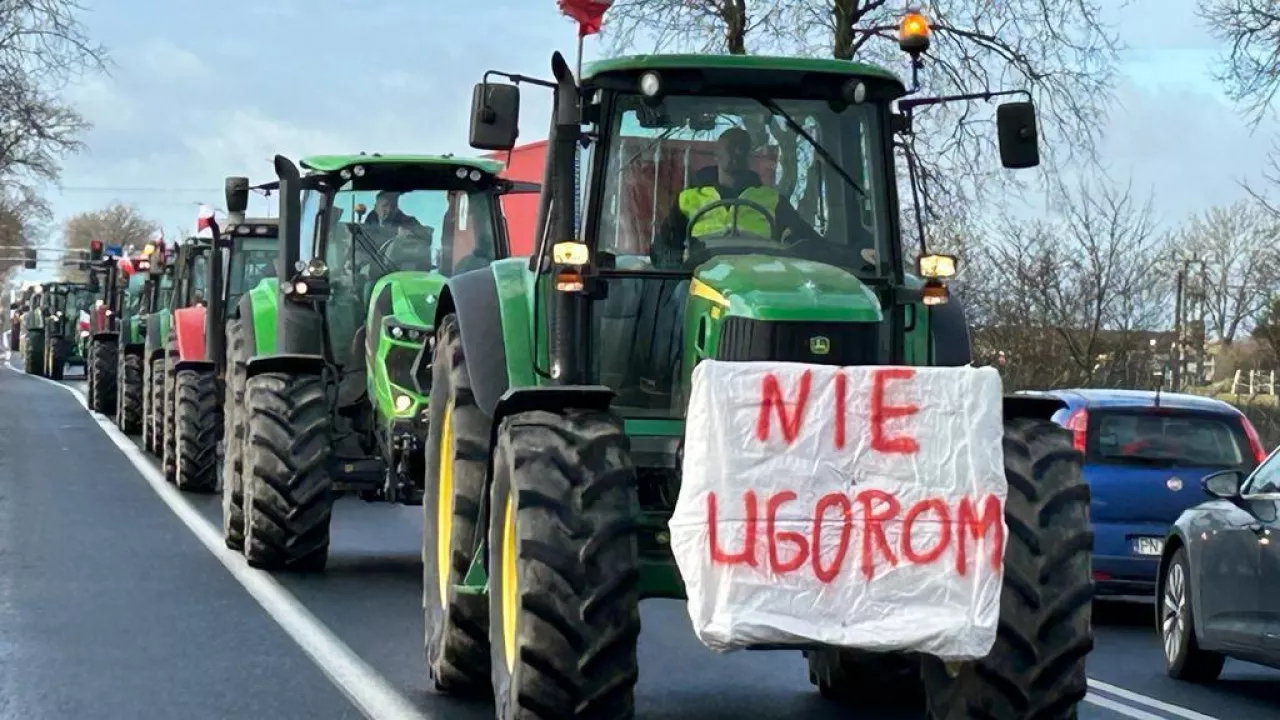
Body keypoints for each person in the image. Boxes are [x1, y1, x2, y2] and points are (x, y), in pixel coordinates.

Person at [649, 126, 808, 269]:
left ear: (749, 155)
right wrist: (681, 271)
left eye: (743, 148)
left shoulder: (773, 200)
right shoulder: (688, 199)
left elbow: (805, 242)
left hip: (757, 286)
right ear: (716, 155)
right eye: (732, 147)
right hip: (700, 283)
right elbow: (663, 247)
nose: (738, 152)